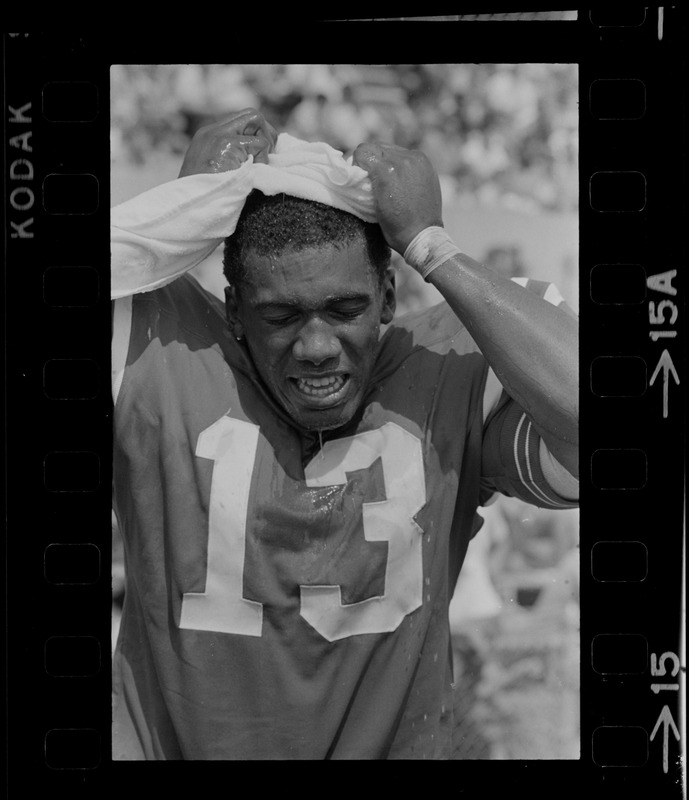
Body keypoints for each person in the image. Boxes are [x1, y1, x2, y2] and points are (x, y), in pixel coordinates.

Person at [110, 108, 578, 760]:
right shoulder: (161, 347)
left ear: (388, 296)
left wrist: (430, 244)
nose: (316, 346)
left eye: (345, 308)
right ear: (235, 311)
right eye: (279, 315)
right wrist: (185, 212)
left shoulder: (449, 369)